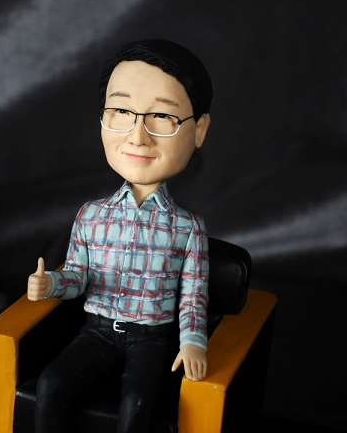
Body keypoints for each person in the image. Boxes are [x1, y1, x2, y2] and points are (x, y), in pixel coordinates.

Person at [27, 38, 212, 433]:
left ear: (198, 130)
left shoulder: (187, 228)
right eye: (122, 112)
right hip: (96, 332)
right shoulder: (92, 215)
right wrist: (52, 283)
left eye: (162, 116)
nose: (139, 136)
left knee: (137, 401)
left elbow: (193, 296)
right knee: (51, 382)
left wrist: (193, 341)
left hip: (151, 339)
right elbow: (79, 276)